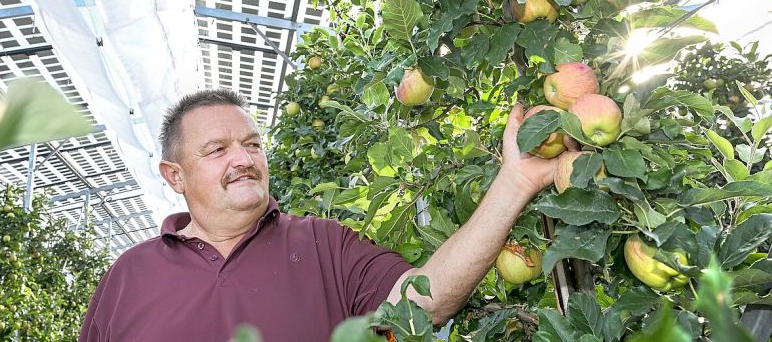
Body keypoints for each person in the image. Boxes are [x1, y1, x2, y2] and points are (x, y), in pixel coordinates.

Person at [78, 89, 555, 341]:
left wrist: (513, 183)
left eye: (251, 145)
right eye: (217, 150)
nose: (242, 159)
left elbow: (425, 303)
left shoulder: (324, 246)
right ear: (175, 176)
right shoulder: (129, 276)